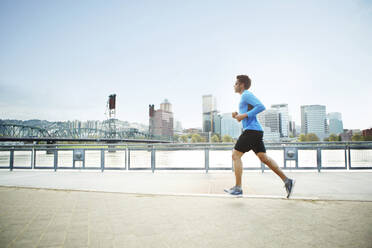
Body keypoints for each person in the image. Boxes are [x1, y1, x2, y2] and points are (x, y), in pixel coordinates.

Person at [224, 75, 295, 198]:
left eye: (236, 83)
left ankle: (238, 188)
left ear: (241, 85)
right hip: (256, 131)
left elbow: (261, 106)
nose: (234, 86)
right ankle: (287, 181)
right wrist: (237, 115)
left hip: (251, 131)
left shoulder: (246, 94)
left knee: (235, 155)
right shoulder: (244, 97)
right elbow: (248, 114)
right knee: (264, 158)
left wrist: (244, 115)